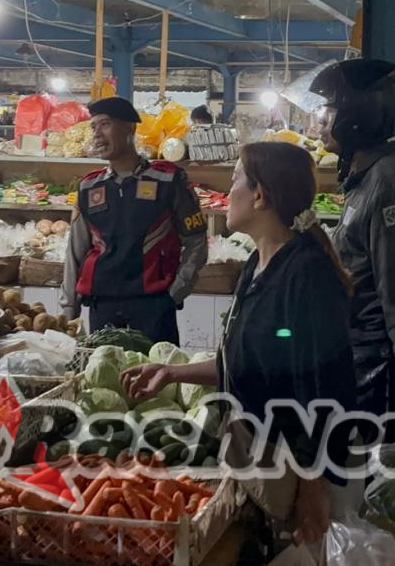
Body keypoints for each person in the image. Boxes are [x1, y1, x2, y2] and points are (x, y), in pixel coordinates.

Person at [121, 141, 357, 551]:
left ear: (261, 195)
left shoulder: (306, 275)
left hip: (297, 467)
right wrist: (173, 373)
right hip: (259, 454)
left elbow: (324, 387)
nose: (229, 193)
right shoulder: (258, 265)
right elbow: (250, 359)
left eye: (235, 181)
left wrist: (313, 486)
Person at [309, 58, 395, 418]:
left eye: (329, 110)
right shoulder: (366, 178)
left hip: (383, 373)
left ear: (357, 114)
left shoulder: (390, 186)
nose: (321, 120)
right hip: (362, 358)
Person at [60, 97, 208, 344]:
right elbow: (74, 252)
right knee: (104, 378)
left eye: (105, 125)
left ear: (130, 128)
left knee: (158, 379)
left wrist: (174, 293)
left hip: (153, 306)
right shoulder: (88, 187)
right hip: (102, 306)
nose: (97, 134)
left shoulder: (168, 180)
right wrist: (68, 312)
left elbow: (196, 240)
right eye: (93, 127)